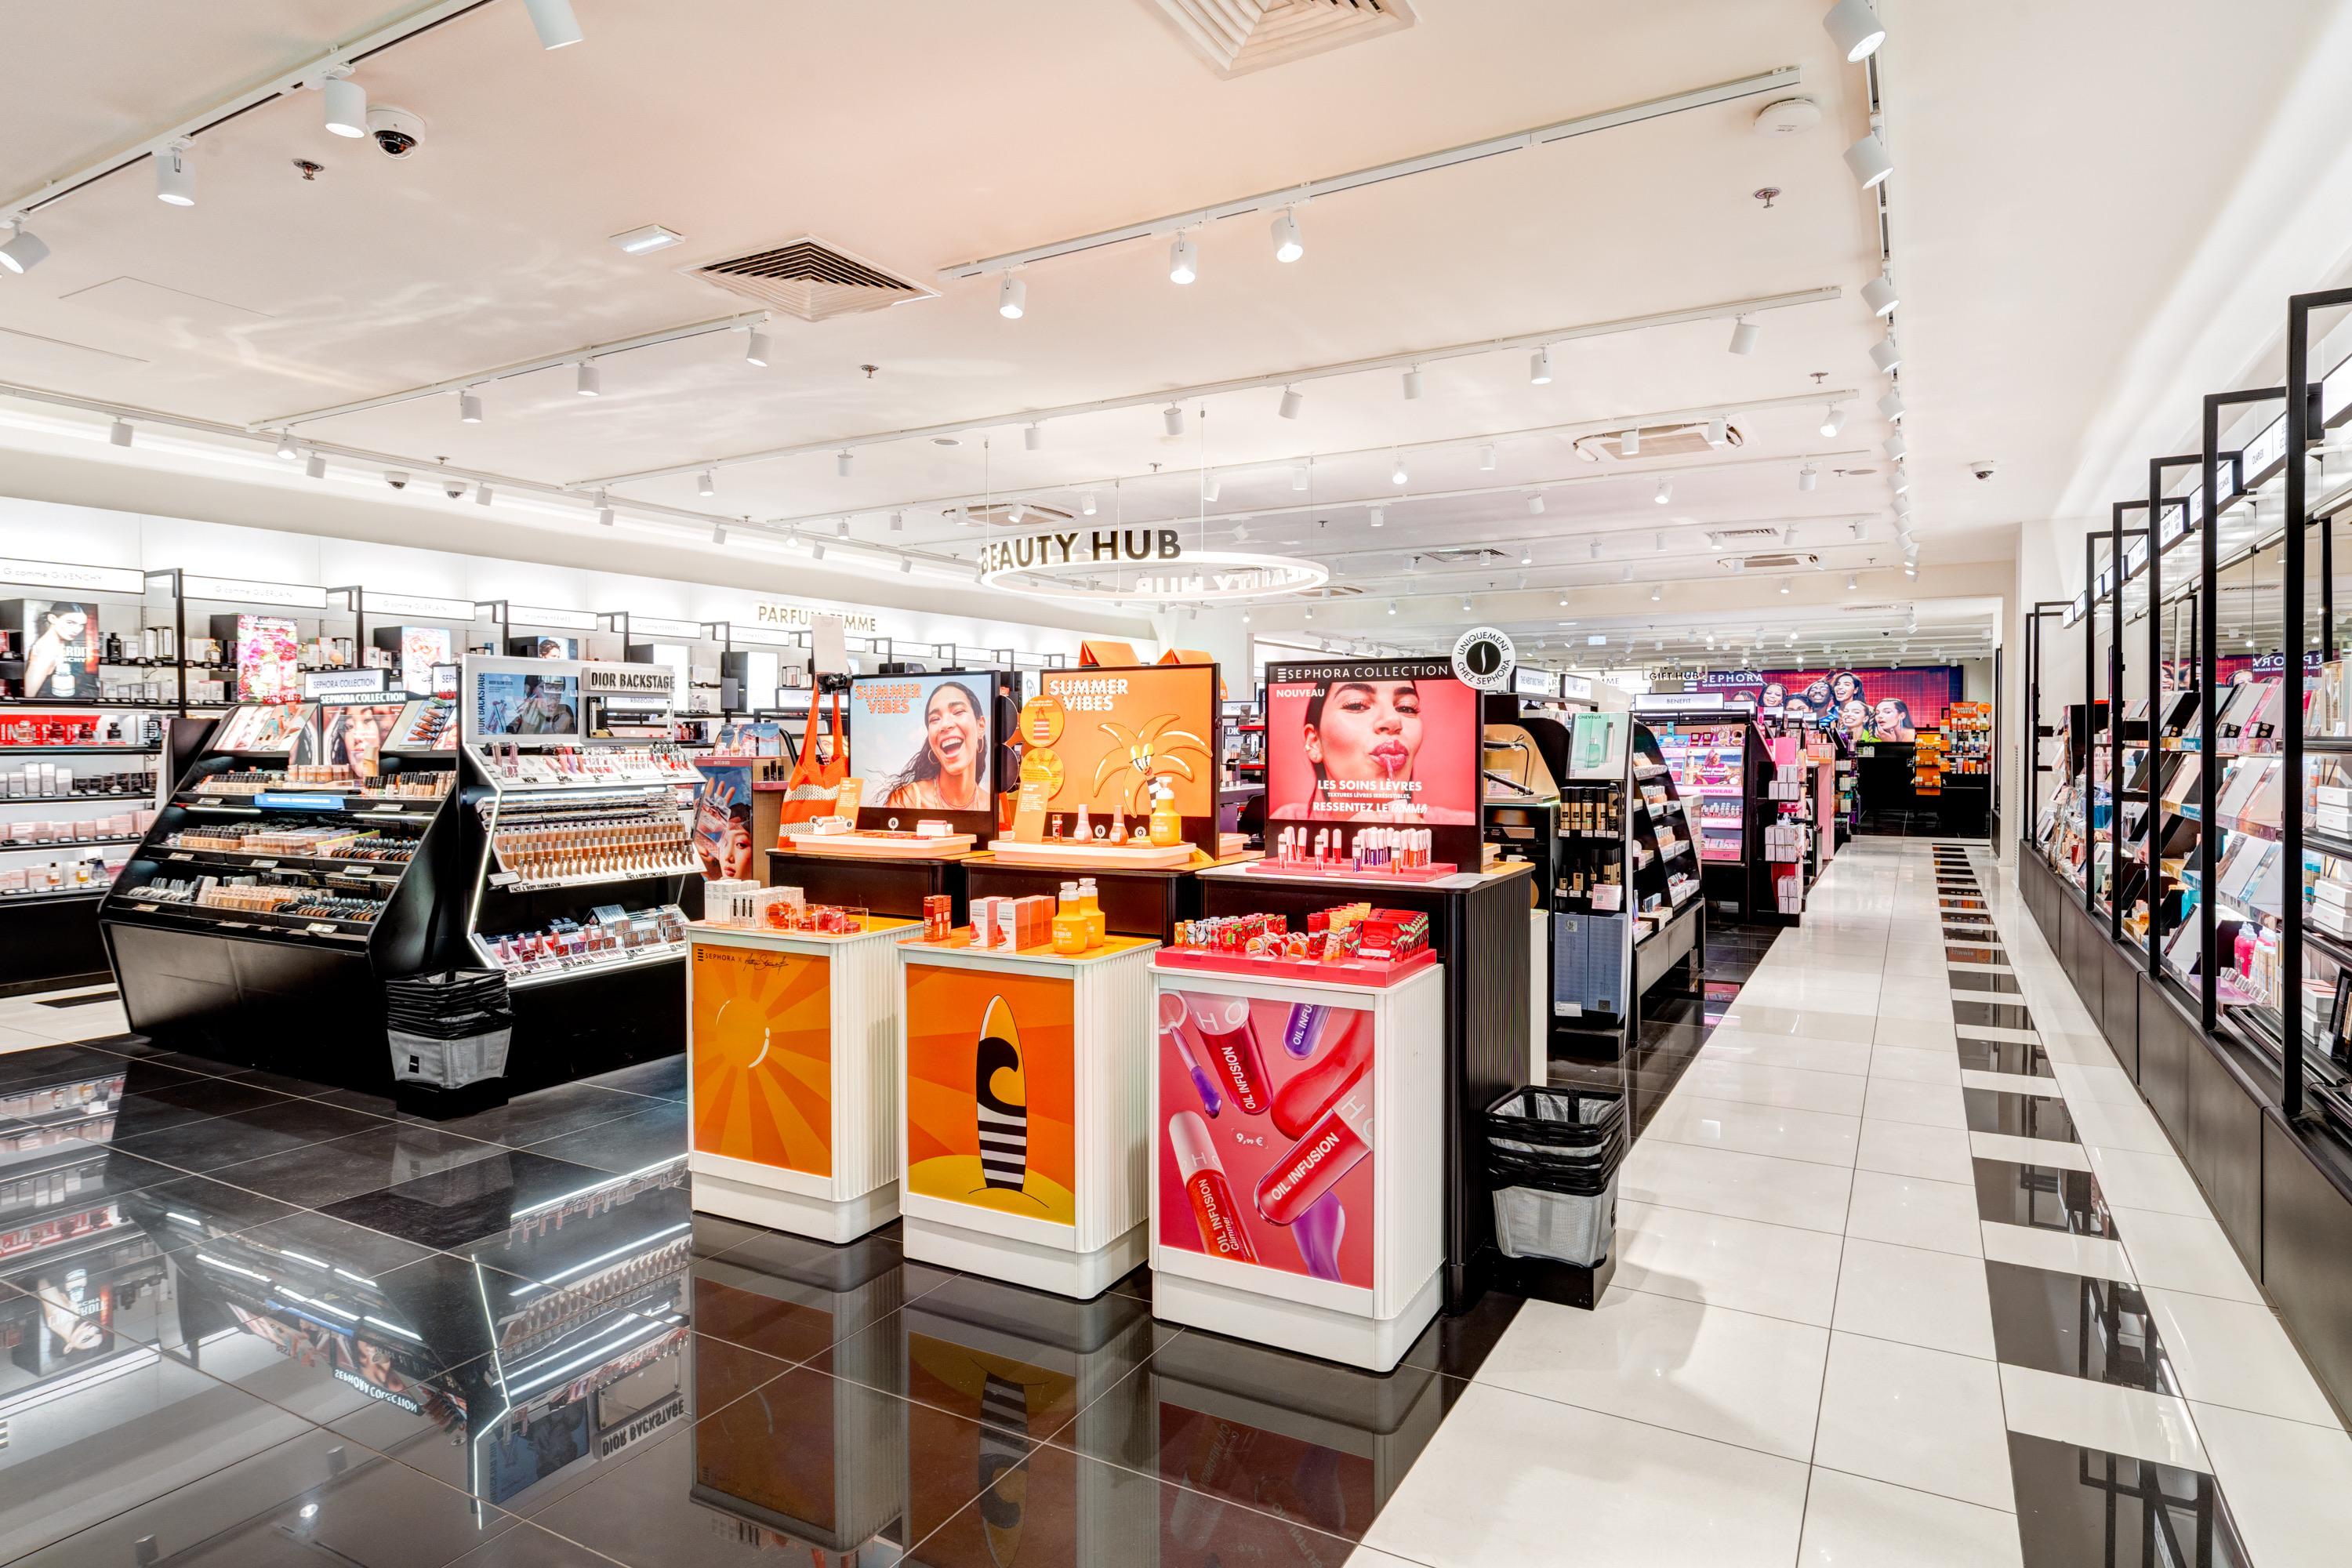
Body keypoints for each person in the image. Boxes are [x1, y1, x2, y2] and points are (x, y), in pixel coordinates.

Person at [1274, 676, 1475, 824]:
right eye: (1356, 705)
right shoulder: (1290, 824)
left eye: (1406, 708)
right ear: (1314, 742)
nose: (1393, 720)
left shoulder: (1464, 827)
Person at [881, 680, 988, 810]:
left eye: (958, 712)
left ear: (981, 726)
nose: (945, 725)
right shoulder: (905, 801)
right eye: (935, 719)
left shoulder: (994, 807)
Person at [21, 602, 93, 699]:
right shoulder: (46, 650)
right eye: (70, 623)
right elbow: (29, 695)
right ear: (52, 619)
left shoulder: (63, 641)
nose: (77, 630)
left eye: (81, 625)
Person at [503, 675, 577, 735]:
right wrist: (526, 730)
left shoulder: (564, 712)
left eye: (559, 689)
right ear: (528, 691)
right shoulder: (516, 723)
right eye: (546, 689)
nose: (555, 696)